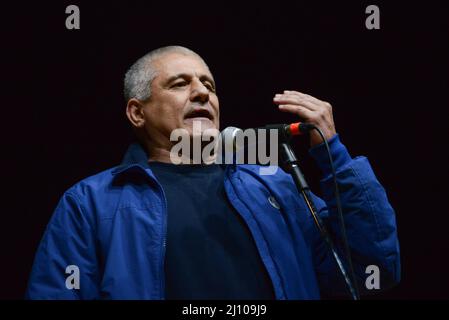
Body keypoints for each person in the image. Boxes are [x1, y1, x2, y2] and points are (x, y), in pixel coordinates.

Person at [26, 46, 400, 299]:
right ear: (137, 112)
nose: (203, 93)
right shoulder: (91, 202)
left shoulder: (276, 187)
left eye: (209, 85)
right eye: (180, 84)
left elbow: (373, 272)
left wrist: (333, 155)